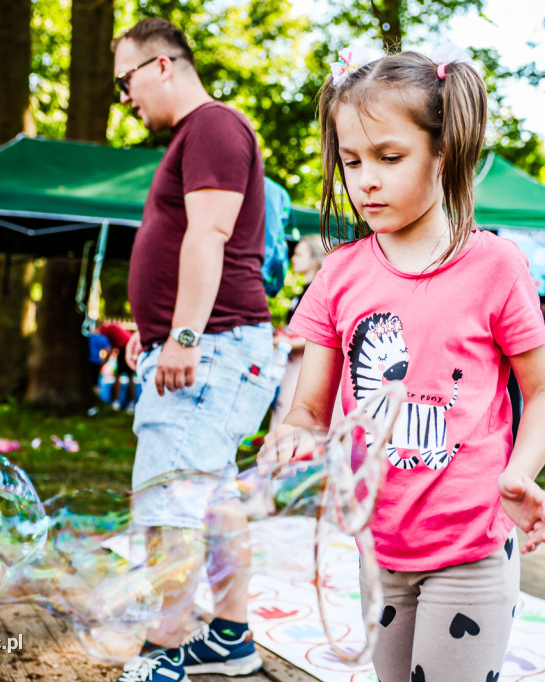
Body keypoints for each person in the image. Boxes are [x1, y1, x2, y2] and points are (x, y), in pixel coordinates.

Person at [261, 46, 545, 682]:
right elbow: (308, 408)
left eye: (388, 157)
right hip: (381, 547)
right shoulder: (339, 275)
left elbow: (544, 392)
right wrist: (290, 435)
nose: (364, 179)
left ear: (443, 154)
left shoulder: (494, 266)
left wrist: (519, 473)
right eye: (350, 161)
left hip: (472, 547)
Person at [112, 18, 277, 680]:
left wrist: (181, 335)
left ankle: (165, 650)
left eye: (125, 80)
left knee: (168, 500)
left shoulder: (212, 125)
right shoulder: (197, 134)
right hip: (209, 344)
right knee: (208, 493)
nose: (124, 97)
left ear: (161, 65)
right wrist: (155, 335)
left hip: (212, 345)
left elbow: (208, 234)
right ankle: (230, 638)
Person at [270, 235, 326, 430]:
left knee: (288, 410)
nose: (293, 258)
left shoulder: (320, 291)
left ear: (314, 258)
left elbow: (322, 332)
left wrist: (286, 340)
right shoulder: (302, 291)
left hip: (303, 367)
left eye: (299, 254)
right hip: (290, 363)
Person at [99, 321, 137, 411]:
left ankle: (116, 403)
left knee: (119, 376)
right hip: (129, 346)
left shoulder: (104, 331)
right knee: (130, 376)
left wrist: (103, 363)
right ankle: (130, 403)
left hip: (125, 348)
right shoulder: (111, 327)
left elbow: (109, 349)